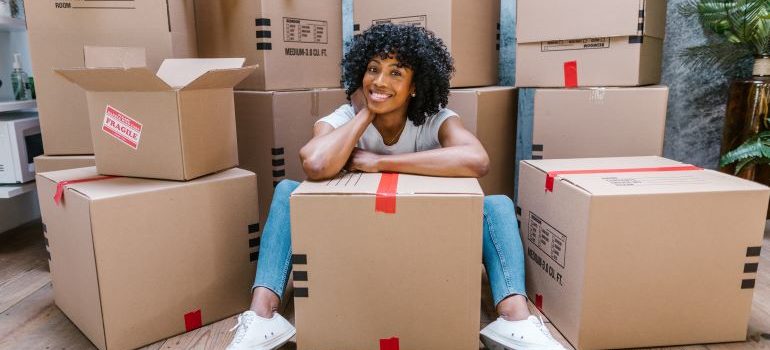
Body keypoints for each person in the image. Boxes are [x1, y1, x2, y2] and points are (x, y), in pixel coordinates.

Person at [226, 23, 565, 350]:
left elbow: (477, 160)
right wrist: (364, 114)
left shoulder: (435, 119)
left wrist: (378, 162)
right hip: (354, 243)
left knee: (496, 205)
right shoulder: (344, 117)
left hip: (416, 242)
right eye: (372, 69)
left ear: (415, 86)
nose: (380, 81)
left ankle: (514, 319)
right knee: (287, 191)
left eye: (396, 73)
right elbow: (314, 164)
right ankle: (262, 315)